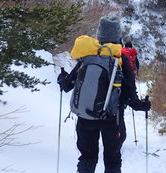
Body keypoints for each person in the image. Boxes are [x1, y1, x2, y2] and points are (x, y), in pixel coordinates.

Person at [57, 15, 151, 173]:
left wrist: (61, 78)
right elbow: (130, 97)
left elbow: (67, 85)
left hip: (86, 117)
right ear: (117, 36)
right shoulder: (120, 59)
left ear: (99, 35)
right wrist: (143, 105)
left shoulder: (87, 56)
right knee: (112, 160)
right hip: (111, 119)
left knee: (87, 159)